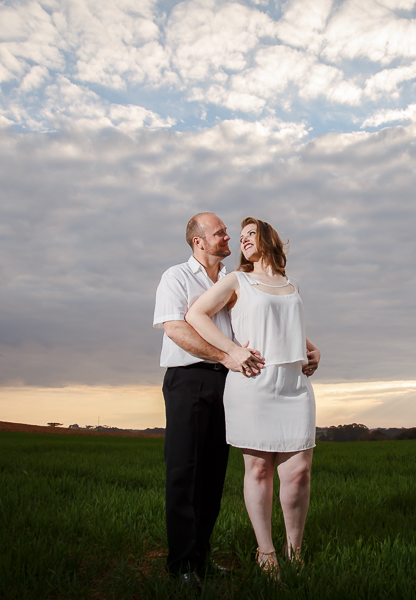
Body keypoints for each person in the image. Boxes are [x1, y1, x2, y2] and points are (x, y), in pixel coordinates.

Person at [186, 216, 320, 577]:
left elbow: (286, 326)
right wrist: (232, 351)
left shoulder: (291, 285)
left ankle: (296, 552)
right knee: (259, 469)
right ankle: (266, 552)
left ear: (269, 239)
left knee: (300, 473)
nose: (243, 240)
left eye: (251, 234)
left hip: (294, 387)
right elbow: (196, 314)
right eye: (240, 236)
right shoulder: (237, 280)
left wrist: (313, 349)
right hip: (255, 383)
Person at [153, 212, 264, 588]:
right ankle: (182, 565)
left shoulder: (234, 282)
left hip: (226, 384)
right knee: (185, 473)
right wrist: (225, 355)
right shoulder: (176, 277)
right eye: (220, 233)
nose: (227, 236)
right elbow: (175, 329)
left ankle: (201, 557)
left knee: (214, 475)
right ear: (199, 241)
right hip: (189, 381)